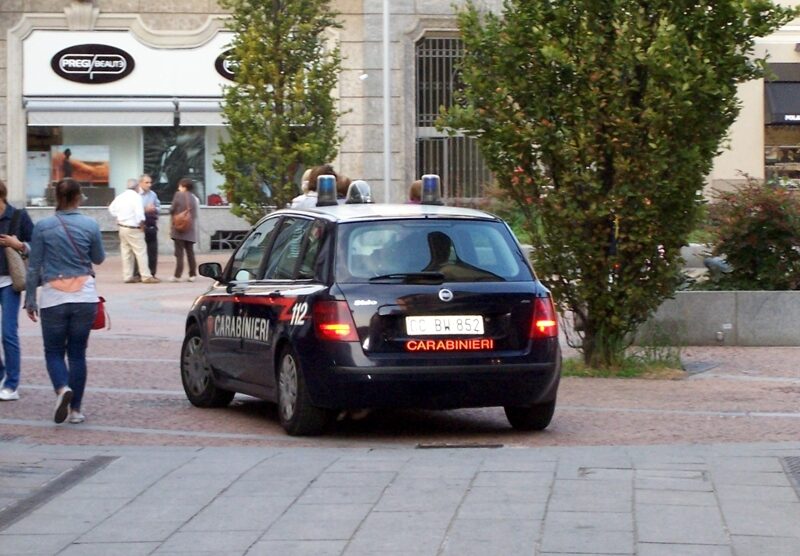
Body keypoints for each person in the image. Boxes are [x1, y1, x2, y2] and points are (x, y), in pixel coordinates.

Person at [24, 178, 105, 424]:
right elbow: (98, 258)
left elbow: (34, 266)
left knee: (54, 351)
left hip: (53, 296)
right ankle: (76, 411)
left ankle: (61, 388)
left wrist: (30, 299)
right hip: (84, 296)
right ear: (79, 196)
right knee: (78, 353)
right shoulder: (90, 224)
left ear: (55, 197)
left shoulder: (43, 226)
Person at [0, 180, 34, 402]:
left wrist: (18, 244)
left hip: (9, 282)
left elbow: (36, 245)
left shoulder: (19, 216)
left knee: (8, 333)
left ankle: (12, 384)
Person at [108, 179, 159, 284]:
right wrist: (141, 224)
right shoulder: (136, 197)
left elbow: (111, 209)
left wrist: (119, 217)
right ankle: (146, 276)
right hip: (133, 227)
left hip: (122, 227)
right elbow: (139, 213)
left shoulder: (120, 196)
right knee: (141, 252)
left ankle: (127, 276)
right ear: (136, 187)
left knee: (126, 252)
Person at [169, 178, 199, 282]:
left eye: (180, 186)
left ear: (184, 186)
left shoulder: (178, 195)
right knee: (190, 253)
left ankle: (177, 275)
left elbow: (172, 209)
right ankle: (193, 274)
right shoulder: (194, 198)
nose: (178, 188)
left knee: (179, 253)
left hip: (179, 228)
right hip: (189, 229)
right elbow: (195, 215)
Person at [133, 174, 160, 279]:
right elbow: (133, 211)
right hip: (139, 226)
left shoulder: (153, 194)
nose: (149, 185)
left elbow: (158, 207)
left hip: (151, 224)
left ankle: (152, 273)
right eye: (146, 182)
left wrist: (155, 209)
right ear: (140, 183)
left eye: (150, 182)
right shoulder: (135, 195)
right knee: (139, 251)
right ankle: (137, 274)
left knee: (152, 250)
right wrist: (145, 209)